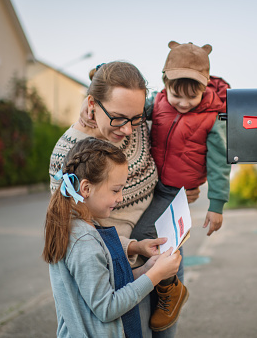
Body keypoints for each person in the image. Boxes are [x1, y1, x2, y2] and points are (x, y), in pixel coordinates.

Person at [50, 61, 193, 337]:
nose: (129, 129)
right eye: (118, 118)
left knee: (166, 331)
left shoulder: (131, 116)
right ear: (91, 105)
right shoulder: (67, 153)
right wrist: (133, 248)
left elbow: (184, 100)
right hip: (120, 267)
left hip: (156, 243)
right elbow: (70, 229)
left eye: (136, 118)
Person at [129, 40, 231, 331]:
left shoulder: (211, 117)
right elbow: (133, 106)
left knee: (145, 234)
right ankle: (171, 287)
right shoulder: (158, 102)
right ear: (165, 84)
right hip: (155, 183)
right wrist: (102, 78)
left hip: (176, 190)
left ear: (205, 86)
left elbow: (219, 163)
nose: (184, 104)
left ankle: (171, 289)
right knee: (170, 242)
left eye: (193, 96)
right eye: (177, 95)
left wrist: (217, 205)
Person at [43, 137, 182, 338]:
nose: (121, 197)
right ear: (86, 188)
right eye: (116, 190)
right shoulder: (84, 241)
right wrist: (154, 277)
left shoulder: (80, 225)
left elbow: (105, 284)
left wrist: (146, 270)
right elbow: (107, 308)